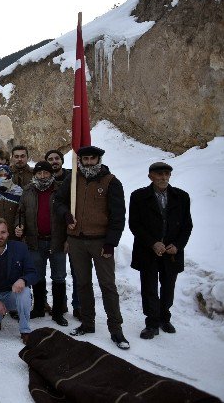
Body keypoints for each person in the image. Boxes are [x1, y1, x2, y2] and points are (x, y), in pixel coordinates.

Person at [54, 145, 130, 350]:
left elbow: (118, 216)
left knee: (107, 285)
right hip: (77, 240)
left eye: (92, 159)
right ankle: (87, 323)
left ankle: (116, 329)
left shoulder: (111, 182)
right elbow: (58, 201)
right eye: (85, 159)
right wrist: (66, 214)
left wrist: (111, 242)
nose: (88, 163)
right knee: (82, 283)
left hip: (101, 241)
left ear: (99, 160)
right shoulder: (72, 179)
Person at [129, 162, 192, 339]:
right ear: (150, 176)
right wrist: (152, 243)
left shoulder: (181, 197)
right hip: (147, 250)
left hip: (172, 252)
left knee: (168, 287)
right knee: (149, 287)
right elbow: (135, 225)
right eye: (159, 174)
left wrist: (178, 245)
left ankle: (165, 318)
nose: (164, 177)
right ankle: (152, 323)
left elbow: (187, 226)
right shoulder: (139, 196)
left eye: (167, 174)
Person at [14, 161, 68, 326]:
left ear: (51, 174)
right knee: (37, 276)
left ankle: (58, 312)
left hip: (57, 240)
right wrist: (18, 225)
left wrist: (68, 238)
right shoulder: (28, 190)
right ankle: (38, 308)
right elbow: (20, 212)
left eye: (46, 173)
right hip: (35, 241)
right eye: (39, 173)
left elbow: (69, 213)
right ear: (35, 175)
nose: (43, 176)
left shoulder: (61, 189)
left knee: (59, 276)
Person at [45, 149, 78, 318]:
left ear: (62, 160)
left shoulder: (73, 178)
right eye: (50, 159)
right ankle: (59, 305)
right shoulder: (45, 181)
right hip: (52, 234)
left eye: (57, 158)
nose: (54, 161)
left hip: (72, 232)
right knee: (58, 273)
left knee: (76, 272)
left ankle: (77, 307)